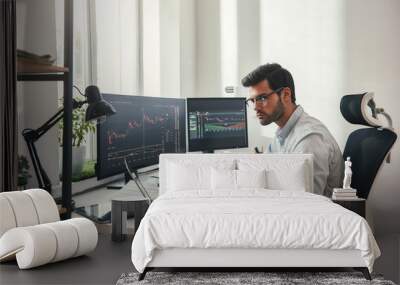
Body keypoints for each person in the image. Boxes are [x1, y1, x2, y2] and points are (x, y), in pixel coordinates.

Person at [242, 63, 343, 197]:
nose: (255, 107)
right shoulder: (282, 133)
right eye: (252, 101)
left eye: (262, 98)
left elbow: (307, 201)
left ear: (286, 94)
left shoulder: (309, 139)